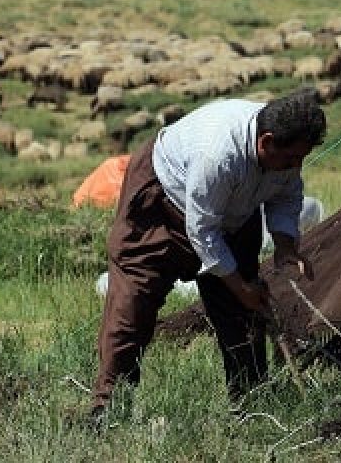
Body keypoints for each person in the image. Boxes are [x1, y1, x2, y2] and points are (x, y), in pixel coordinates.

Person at [91, 89, 326, 423]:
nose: (295, 167)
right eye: (289, 160)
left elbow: (287, 195)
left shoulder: (287, 148)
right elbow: (202, 232)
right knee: (133, 304)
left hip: (234, 213)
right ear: (266, 142)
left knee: (244, 311)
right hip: (163, 205)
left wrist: (287, 248)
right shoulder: (217, 154)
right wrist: (239, 287)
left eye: (300, 160)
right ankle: (109, 410)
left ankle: (252, 404)